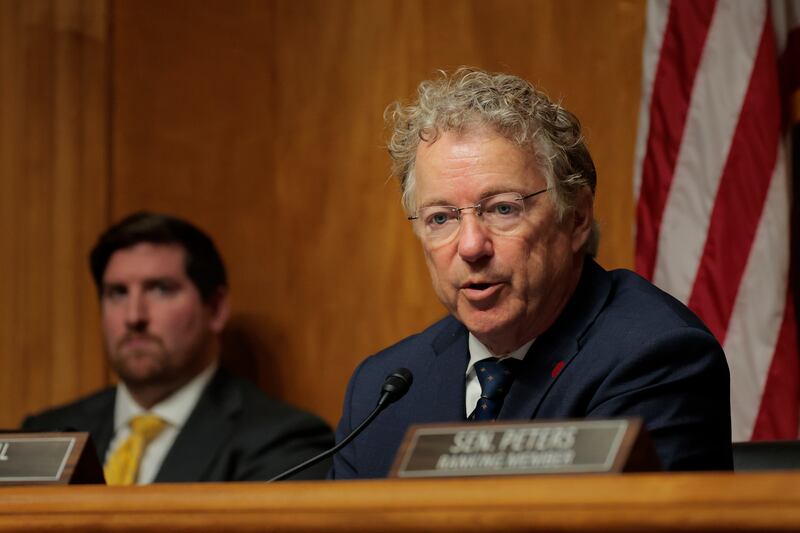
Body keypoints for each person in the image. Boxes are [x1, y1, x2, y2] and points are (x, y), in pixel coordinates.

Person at [331, 68, 733, 479]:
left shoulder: (654, 358)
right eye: (441, 218)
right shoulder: (381, 391)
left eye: (503, 209)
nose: (470, 246)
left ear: (576, 217)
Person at [23, 212, 333, 483]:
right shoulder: (43, 434)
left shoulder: (284, 442)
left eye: (160, 289)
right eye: (117, 292)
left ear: (216, 308)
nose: (134, 316)